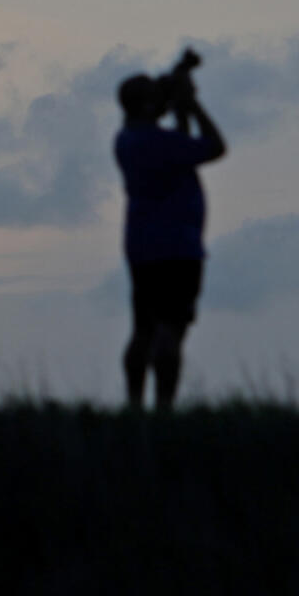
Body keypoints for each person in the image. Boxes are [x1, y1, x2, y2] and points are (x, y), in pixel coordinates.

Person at [114, 49, 226, 410]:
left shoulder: (128, 140)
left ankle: (134, 406)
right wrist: (191, 104)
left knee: (143, 328)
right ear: (146, 106)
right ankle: (164, 409)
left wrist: (174, 105)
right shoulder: (158, 142)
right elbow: (214, 147)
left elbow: (179, 144)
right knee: (171, 329)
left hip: (142, 248)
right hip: (178, 249)